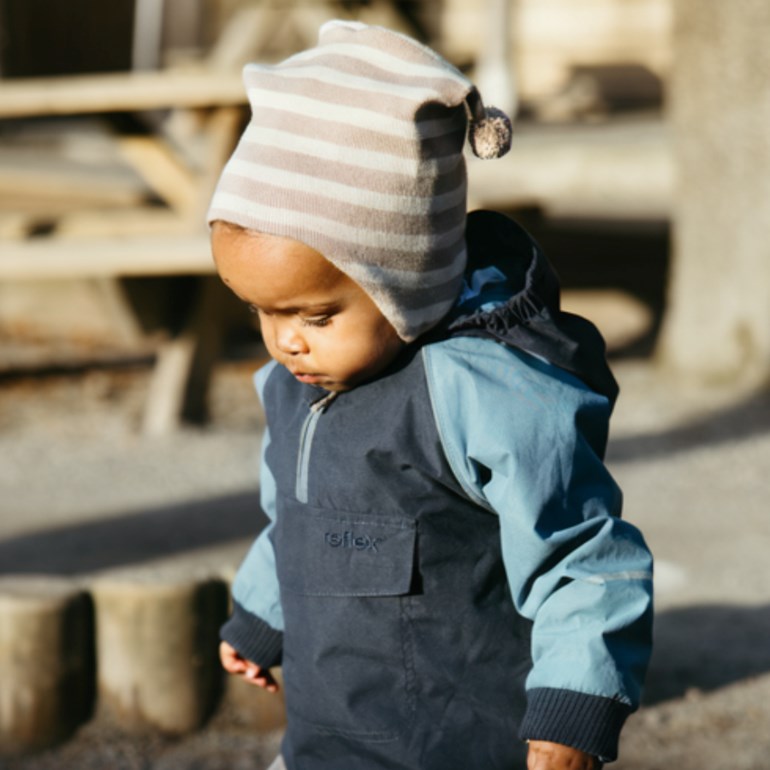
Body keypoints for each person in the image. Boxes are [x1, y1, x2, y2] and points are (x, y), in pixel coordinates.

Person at [207, 19, 653, 770]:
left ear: (403, 284)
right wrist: (260, 614)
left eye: (316, 315)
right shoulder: (291, 387)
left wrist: (575, 708)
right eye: (262, 311)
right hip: (324, 745)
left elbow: (583, 555)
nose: (286, 342)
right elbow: (296, 518)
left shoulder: (478, 394)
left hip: (456, 745)